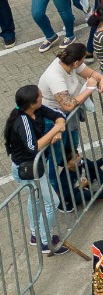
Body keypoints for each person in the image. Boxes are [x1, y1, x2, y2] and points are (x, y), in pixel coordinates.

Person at [3, 85, 69, 255]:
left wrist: (59, 124)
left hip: (33, 165)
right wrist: (55, 129)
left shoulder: (36, 109)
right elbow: (34, 146)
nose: (43, 97)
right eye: (40, 96)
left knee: (36, 200)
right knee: (52, 202)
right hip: (28, 168)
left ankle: (35, 234)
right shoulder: (22, 120)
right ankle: (46, 242)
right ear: (32, 103)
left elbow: (58, 115)